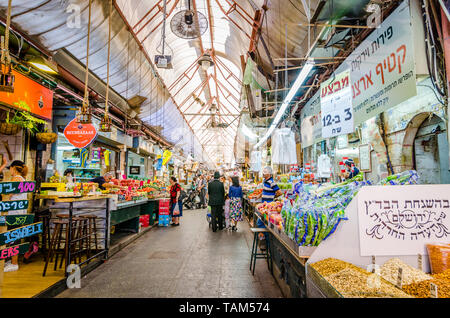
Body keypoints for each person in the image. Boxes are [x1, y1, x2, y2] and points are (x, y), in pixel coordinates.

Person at [2, 160, 29, 272]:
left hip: (14, 213)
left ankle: (14, 263)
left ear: (13, 168)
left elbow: (8, 194)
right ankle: (11, 261)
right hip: (20, 212)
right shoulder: (23, 179)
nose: (10, 171)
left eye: (10, 169)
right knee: (15, 236)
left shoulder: (16, 179)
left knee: (13, 237)